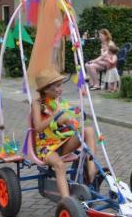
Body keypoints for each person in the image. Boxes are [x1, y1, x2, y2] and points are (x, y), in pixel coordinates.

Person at [32, 68, 97, 197]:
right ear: (46, 89)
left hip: (62, 142)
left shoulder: (59, 101)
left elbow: (65, 121)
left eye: (61, 85)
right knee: (60, 166)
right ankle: (67, 201)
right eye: (57, 86)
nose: (61, 89)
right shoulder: (37, 104)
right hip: (46, 147)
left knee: (88, 130)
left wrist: (70, 120)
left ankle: (91, 169)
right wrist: (54, 115)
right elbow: (38, 127)